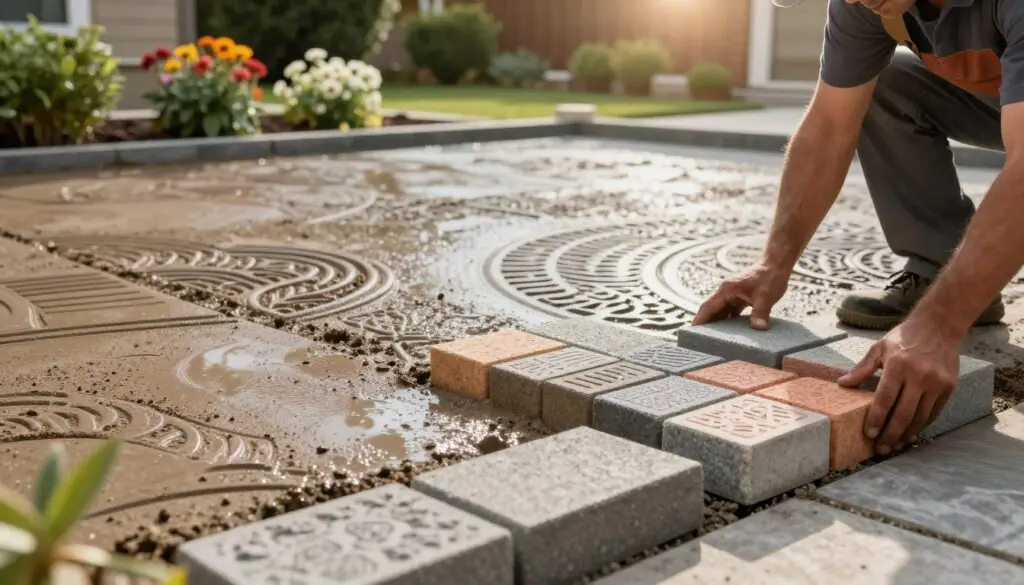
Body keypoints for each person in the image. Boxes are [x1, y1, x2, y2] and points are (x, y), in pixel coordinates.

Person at [693, 0, 1024, 455]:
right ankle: (938, 270)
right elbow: (830, 125)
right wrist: (773, 263)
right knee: (882, 87)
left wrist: (939, 326)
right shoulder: (863, 4)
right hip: (1004, 95)